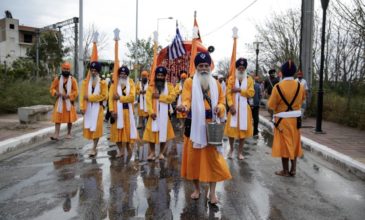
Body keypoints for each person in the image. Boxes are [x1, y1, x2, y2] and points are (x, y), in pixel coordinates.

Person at [178, 52, 231, 205]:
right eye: (200, 66)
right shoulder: (189, 82)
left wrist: (219, 108)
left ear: (210, 67)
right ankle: (197, 189)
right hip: (194, 125)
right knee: (193, 160)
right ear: (196, 67)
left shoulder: (216, 83)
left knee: (212, 161)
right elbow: (186, 99)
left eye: (206, 66)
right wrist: (184, 106)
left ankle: (212, 193)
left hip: (211, 127)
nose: (203, 69)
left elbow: (222, 102)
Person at [268, 60, 305, 177]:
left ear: (281, 73)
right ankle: (293, 169)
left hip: (282, 121)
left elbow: (270, 106)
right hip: (296, 120)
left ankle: (285, 170)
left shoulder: (277, 87)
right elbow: (302, 100)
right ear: (294, 73)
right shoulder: (300, 86)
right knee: (294, 143)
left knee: (284, 145)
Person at [142, 66, 176, 161]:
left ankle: (161, 153)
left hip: (165, 115)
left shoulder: (169, 86)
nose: (160, 77)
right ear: (156, 75)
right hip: (153, 114)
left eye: (162, 75)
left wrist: (159, 97)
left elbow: (172, 98)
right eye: (158, 75)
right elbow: (148, 100)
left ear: (165, 76)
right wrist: (151, 112)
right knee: (151, 135)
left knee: (164, 134)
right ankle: (152, 153)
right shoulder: (151, 87)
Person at [224, 58, 254, 160]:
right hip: (233, 108)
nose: (241, 70)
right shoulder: (232, 79)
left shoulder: (249, 79)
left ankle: (240, 152)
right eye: (239, 68)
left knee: (243, 131)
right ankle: (231, 150)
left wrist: (239, 90)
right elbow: (228, 93)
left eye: (243, 68)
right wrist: (231, 105)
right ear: (237, 68)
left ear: (245, 69)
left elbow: (251, 93)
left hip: (245, 109)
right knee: (231, 131)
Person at [80, 61, 108, 157]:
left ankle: (94, 148)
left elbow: (104, 96)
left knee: (97, 128)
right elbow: (82, 96)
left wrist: (91, 98)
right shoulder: (85, 82)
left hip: (98, 108)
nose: (93, 72)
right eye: (91, 70)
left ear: (98, 72)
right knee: (90, 128)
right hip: (88, 108)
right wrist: (82, 107)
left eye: (95, 70)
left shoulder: (103, 83)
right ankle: (93, 146)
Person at [109, 66, 138, 158]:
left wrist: (120, 98)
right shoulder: (114, 84)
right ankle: (121, 150)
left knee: (127, 131)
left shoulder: (131, 83)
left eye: (125, 74)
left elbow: (132, 98)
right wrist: (111, 111)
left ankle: (127, 147)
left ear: (127, 75)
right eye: (121, 74)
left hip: (127, 111)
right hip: (116, 111)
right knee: (117, 132)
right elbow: (110, 98)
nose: (123, 75)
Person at [50, 62, 79, 140]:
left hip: (69, 101)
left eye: (67, 69)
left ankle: (69, 133)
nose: (66, 70)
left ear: (69, 70)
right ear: (62, 69)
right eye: (64, 69)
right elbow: (52, 88)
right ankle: (56, 134)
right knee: (57, 118)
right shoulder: (57, 79)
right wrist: (56, 93)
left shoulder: (73, 80)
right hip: (59, 101)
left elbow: (76, 91)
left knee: (70, 119)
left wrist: (69, 95)